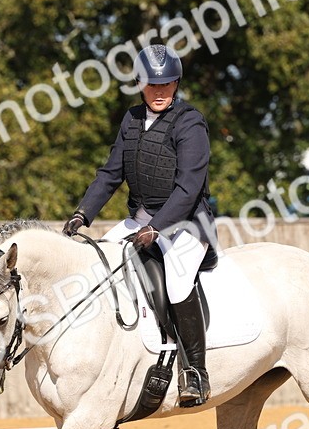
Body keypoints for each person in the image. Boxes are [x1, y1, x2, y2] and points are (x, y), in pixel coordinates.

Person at [63, 43, 216, 407]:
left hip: (188, 225)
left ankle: (195, 371)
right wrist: (83, 213)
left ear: (176, 83)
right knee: (97, 261)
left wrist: (157, 228)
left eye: (166, 84)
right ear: (139, 84)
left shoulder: (190, 123)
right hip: (140, 220)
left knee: (178, 284)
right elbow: (111, 173)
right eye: (151, 84)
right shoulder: (131, 119)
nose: (159, 91)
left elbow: (188, 188)